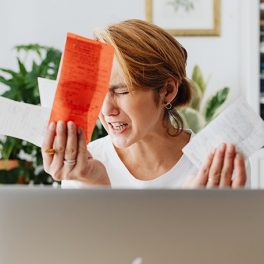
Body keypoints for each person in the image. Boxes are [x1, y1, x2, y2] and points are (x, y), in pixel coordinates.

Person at [41, 19, 247, 189]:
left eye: (121, 90)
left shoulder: (214, 168)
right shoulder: (84, 165)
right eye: (98, 93)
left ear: (167, 90)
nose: (106, 110)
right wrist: (97, 186)